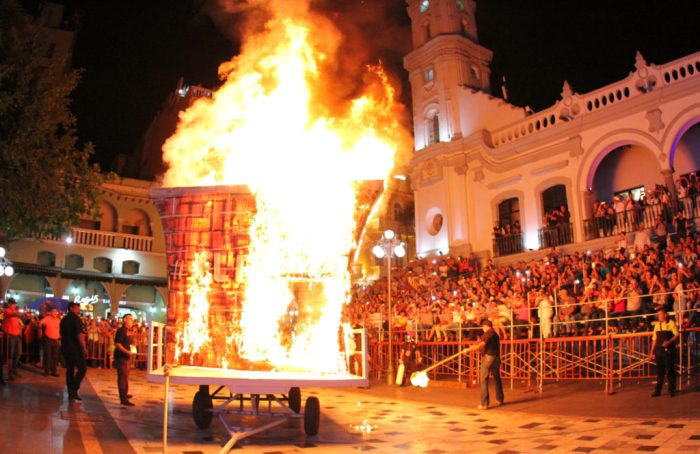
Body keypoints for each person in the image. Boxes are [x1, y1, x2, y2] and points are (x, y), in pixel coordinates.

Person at [60, 302, 87, 401]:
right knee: (82, 368)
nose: (79, 310)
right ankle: (73, 388)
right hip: (75, 348)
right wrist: (84, 347)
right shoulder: (76, 319)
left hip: (65, 347)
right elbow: (79, 334)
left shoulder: (64, 319)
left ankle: (70, 389)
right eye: (77, 308)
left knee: (70, 369)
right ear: (71, 308)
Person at [649, 309, 679, 397]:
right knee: (660, 371)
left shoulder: (671, 323)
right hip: (659, 350)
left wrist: (669, 342)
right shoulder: (657, 325)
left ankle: (671, 389)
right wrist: (651, 352)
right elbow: (654, 339)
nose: (659, 316)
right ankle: (658, 390)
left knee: (670, 370)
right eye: (658, 315)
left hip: (669, 350)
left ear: (665, 315)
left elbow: (676, 334)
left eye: (660, 314)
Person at [476, 319, 504, 410]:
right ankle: (500, 399)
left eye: (483, 327)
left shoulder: (488, 333)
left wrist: (472, 349)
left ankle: (484, 403)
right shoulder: (495, 334)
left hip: (488, 357)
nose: (483, 329)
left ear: (486, 326)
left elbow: (482, 344)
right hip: (496, 358)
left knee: (483, 379)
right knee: (497, 378)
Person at [114, 313, 135, 406]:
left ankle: (125, 394)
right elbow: (118, 344)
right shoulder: (121, 330)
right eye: (130, 319)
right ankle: (123, 398)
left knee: (125, 377)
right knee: (122, 377)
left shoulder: (127, 331)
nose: (132, 321)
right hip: (121, 357)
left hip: (126, 357)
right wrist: (127, 352)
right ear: (125, 320)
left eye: (132, 319)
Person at [3, 299, 23, 380]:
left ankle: (15, 370)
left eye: (15, 304)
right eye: (13, 304)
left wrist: (20, 327)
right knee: (10, 355)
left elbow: (18, 322)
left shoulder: (15, 313)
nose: (14, 305)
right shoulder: (7, 311)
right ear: (9, 304)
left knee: (18, 353)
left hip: (17, 335)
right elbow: (13, 314)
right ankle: (10, 373)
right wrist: (20, 313)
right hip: (10, 335)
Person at [40, 306, 61, 377]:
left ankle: (54, 371)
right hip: (48, 339)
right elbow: (40, 323)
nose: (55, 313)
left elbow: (60, 329)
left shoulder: (58, 320)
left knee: (55, 357)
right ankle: (46, 371)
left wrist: (59, 337)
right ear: (51, 312)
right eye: (53, 311)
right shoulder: (47, 318)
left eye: (55, 311)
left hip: (56, 340)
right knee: (48, 356)